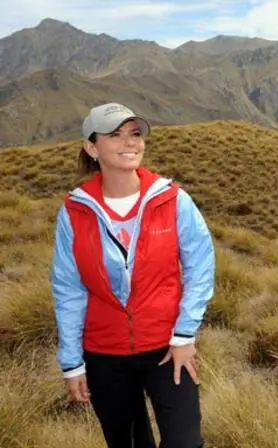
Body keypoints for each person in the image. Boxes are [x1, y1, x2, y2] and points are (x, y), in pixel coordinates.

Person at [50, 102, 216, 448]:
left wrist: (185, 334)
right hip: (103, 353)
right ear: (92, 147)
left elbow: (201, 266)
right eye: (115, 135)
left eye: (135, 133)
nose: (130, 143)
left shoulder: (172, 200)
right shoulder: (75, 211)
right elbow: (69, 289)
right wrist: (72, 364)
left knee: (185, 442)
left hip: (167, 347)